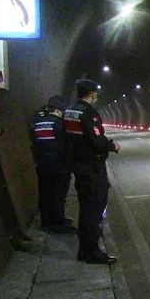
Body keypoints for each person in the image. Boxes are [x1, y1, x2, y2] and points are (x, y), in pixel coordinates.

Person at [64, 78, 120, 264]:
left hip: (78, 167)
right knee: (94, 210)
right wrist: (112, 145)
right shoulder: (90, 114)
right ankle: (92, 252)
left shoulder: (69, 112)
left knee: (85, 209)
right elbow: (97, 140)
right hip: (92, 168)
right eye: (96, 93)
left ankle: (84, 250)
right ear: (92, 94)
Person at [28, 95, 76, 234]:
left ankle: (45, 221)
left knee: (44, 194)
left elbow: (34, 143)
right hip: (59, 166)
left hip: (42, 164)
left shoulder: (37, 123)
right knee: (59, 195)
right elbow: (66, 146)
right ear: (59, 110)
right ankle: (58, 223)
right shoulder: (60, 124)